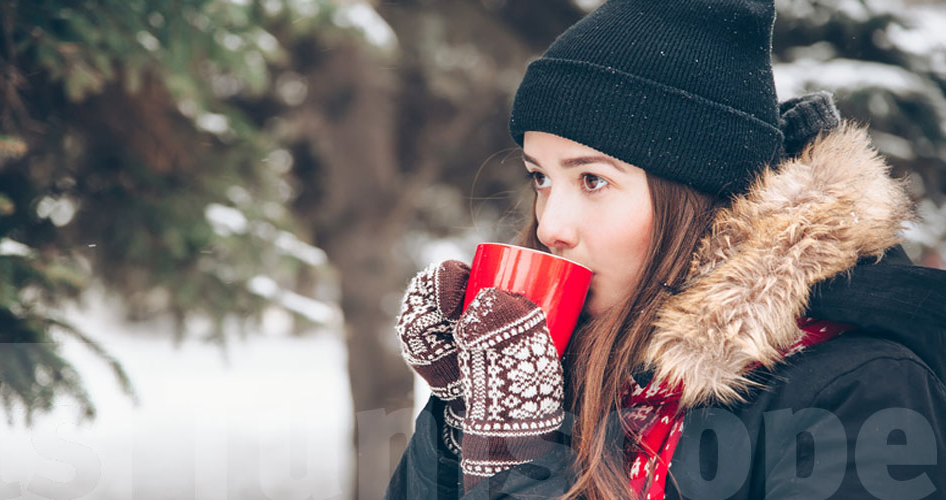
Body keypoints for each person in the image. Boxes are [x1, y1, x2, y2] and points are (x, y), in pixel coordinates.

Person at [386, 1, 946, 499]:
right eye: (541, 178)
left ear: (697, 197)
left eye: (592, 180)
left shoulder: (861, 390)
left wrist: (517, 468)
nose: (551, 225)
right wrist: (460, 419)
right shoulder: (559, 366)